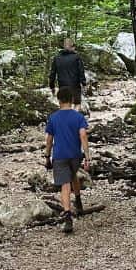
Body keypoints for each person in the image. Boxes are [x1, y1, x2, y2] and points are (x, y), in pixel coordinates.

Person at [44, 86, 90, 234]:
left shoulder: (53, 118)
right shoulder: (78, 117)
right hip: (75, 155)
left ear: (58, 100)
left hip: (59, 156)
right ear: (71, 100)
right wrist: (87, 156)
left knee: (65, 184)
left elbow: (49, 139)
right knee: (73, 175)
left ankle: (68, 215)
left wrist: (47, 156)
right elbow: (83, 135)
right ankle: (78, 201)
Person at [49, 38, 87, 109]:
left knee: (64, 105)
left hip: (62, 85)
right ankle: (74, 118)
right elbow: (81, 71)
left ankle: (65, 119)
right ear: (72, 46)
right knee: (77, 103)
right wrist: (84, 84)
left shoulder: (57, 58)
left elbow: (52, 73)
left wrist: (52, 86)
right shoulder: (76, 57)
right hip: (75, 85)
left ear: (63, 46)